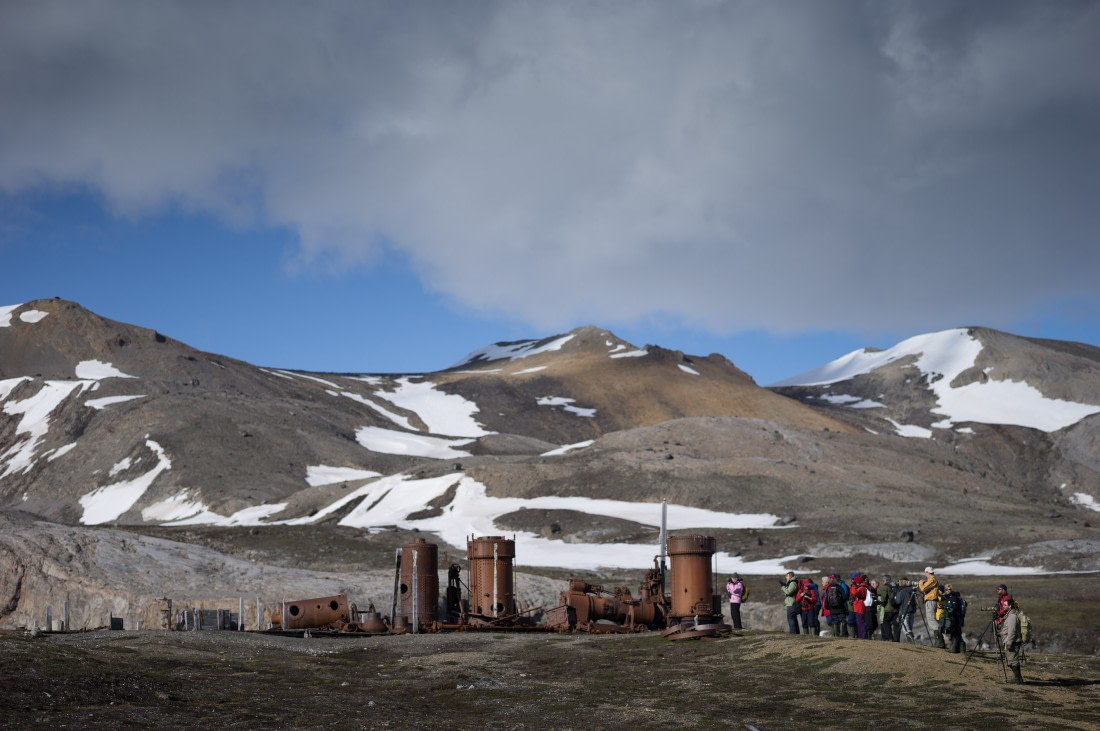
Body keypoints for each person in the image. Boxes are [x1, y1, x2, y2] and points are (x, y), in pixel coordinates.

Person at [995, 583, 1024, 683]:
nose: (1003, 606)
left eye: (1005, 605)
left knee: (1013, 661)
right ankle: (1018, 678)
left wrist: (1009, 643)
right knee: (1010, 661)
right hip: (1010, 641)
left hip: (1012, 642)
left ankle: (1018, 679)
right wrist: (1000, 634)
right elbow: (1007, 630)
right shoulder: (1009, 615)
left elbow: (1012, 631)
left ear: (1010, 606)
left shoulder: (1012, 617)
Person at [918, 567, 945, 648]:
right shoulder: (932, 580)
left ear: (927, 572)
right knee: (931, 620)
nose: (925, 574)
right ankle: (939, 641)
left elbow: (923, 588)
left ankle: (939, 641)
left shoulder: (932, 579)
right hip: (931, 601)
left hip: (931, 601)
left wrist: (920, 583)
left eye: (925, 573)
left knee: (931, 620)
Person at [940, 582, 965, 653]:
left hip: (956, 618)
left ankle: (954, 649)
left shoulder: (953, 597)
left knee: (956, 633)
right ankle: (960, 649)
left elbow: (953, 608)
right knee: (957, 633)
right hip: (956, 617)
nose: (948, 591)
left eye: (949, 589)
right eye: (946, 589)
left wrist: (947, 608)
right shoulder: (951, 597)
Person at [879, 575, 900, 642]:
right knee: (896, 624)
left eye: (882, 580)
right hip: (896, 608)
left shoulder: (885, 587)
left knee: (885, 622)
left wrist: (881, 602)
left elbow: (883, 599)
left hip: (888, 608)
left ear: (885, 580)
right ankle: (897, 640)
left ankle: (890, 638)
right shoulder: (896, 586)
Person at [849, 574, 868, 639]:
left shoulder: (861, 588)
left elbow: (854, 593)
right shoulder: (861, 587)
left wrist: (853, 586)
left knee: (860, 621)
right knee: (859, 621)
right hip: (858, 605)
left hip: (859, 606)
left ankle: (863, 635)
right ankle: (861, 635)